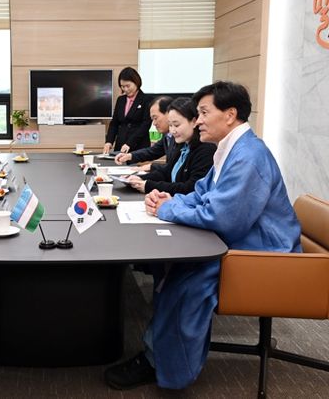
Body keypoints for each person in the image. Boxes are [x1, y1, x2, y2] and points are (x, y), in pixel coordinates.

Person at [104, 81, 302, 391]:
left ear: (230, 114)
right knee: (173, 270)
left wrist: (169, 210)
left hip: (266, 255)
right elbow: (201, 193)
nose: (198, 121)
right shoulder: (232, 148)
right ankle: (163, 353)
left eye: (204, 113)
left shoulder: (249, 156)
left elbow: (223, 218)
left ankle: (163, 367)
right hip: (248, 240)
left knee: (185, 281)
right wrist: (170, 200)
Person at [123, 97, 216, 195]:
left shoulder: (206, 149)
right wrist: (139, 179)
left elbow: (191, 188)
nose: (172, 131)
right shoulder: (182, 144)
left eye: (176, 125)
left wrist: (148, 185)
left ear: (194, 122)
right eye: (170, 125)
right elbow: (167, 172)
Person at [114, 96, 175, 170]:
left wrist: (150, 167)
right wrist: (129, 156)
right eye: (152, 119)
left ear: (169, 114)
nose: (154, 123)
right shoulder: (168, 136)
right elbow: (153, 151)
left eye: (155, 118)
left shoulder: (181, 137)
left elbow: (173, 168)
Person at [103, 67, 152, 154]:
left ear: (136, 82)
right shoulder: (120, 100)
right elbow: (114, 123)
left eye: (128, 86)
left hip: (139, 147)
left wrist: (130, 143)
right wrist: (109, 141)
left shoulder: (146, 99)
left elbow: (145, 125)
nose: (125, 89)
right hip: (120, 146)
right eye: (122, 86)